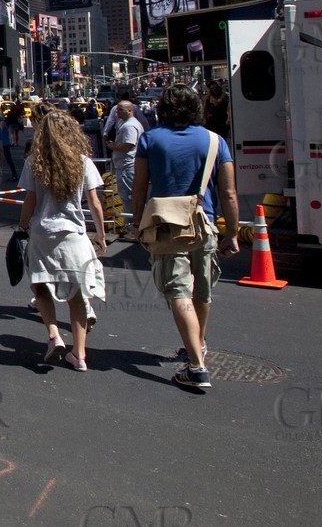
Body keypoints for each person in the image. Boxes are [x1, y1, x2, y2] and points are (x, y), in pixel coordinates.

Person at [132, 84, 240, 391]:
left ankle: (196, 366)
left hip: (165, 225)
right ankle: (199, 344)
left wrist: (137, 223)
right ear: (197, 108)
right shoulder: (215, 141)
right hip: (202, 223)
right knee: (201, 290)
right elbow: (229, 193)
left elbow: (139, 189)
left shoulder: (150, 139)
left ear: (163, 110)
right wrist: (232, 233)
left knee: (178, 290)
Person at [19, 111, 107, 371]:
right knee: (77, 295)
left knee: (40, 286)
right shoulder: (83, 162)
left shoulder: (34, 162)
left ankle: (54, 335)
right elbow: (94, 203)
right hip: (74, 235)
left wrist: (21, 227)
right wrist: (100, 235)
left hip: (43, 233)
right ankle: (79, 354)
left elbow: (30, 201)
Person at [109, 101, 144, 234]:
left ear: (130, 110)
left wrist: (113, 146)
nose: (117, 112)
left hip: (127, 166)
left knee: (129, 197)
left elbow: (127, 145)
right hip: (125, 165)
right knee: (128, 197)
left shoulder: (129, 126)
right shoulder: (127, 124)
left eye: (120, 109)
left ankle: (132, 228)